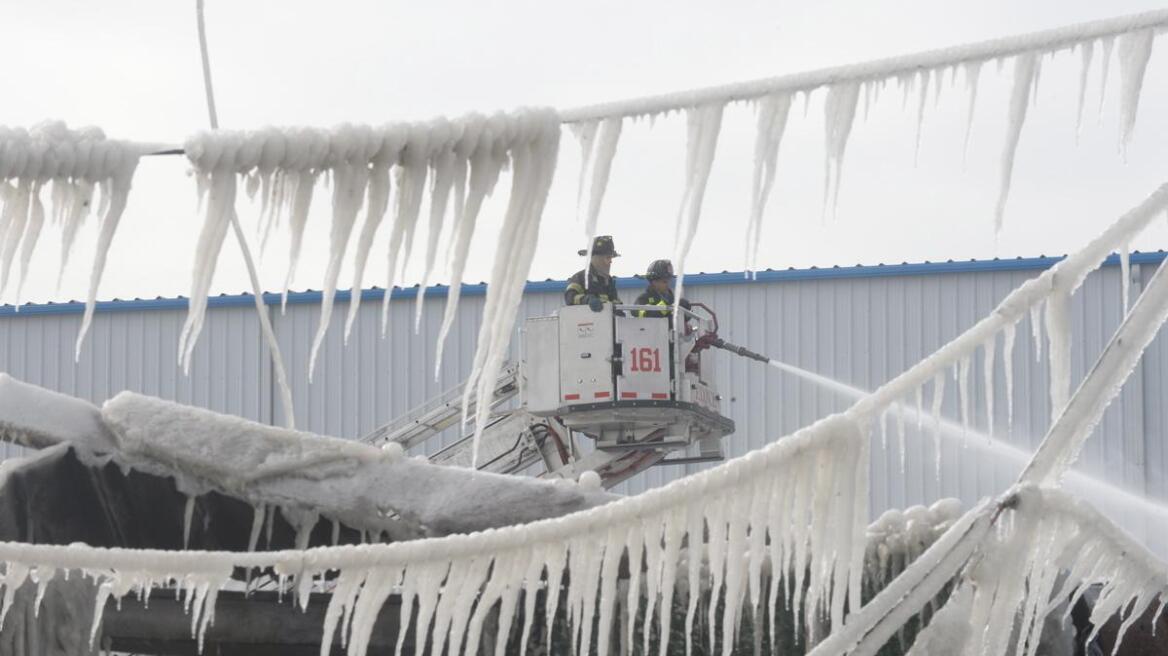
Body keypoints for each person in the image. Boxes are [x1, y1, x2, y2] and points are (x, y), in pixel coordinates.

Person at [564, 235, 622, 311]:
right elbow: (570, 297)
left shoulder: (609, 282)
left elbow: (615, 303)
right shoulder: (580, 277)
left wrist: (618, 309)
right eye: (608, 257)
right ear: (596, 258)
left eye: (611, 258)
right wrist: (587, 299)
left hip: (606, 321)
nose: (611, 261)